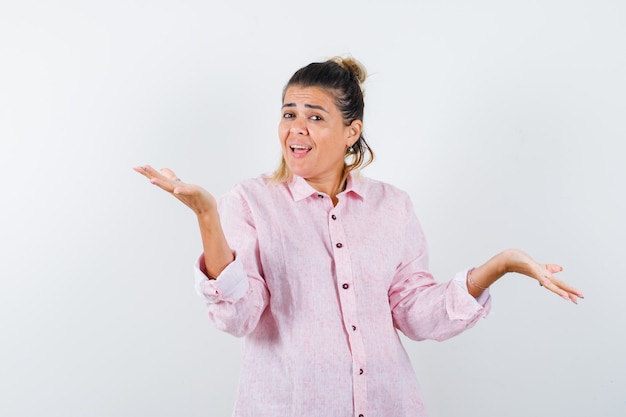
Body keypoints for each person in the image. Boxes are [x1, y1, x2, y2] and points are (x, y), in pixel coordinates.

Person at [134, 56, 584, 417]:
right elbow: (238, 317)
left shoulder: (393, 206)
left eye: (315, 116)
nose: (297, 128)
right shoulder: (250, 201)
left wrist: (500, 264)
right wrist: (207, 215)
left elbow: (416, 313)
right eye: (289, 114)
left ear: (352, 133)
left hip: (388, 403)